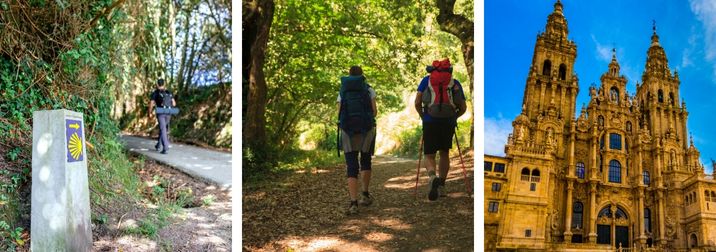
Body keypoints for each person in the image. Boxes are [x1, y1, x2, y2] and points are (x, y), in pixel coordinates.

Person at [414, 59, 467, 201]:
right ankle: (442, 185)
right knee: (444, 153)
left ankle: (432, 176)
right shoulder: (454, 83)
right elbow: (463, 107)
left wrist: (423, 116)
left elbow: (418, 102)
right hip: (448, 121)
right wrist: (454, 117)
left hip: (430, 120)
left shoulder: (426, 80)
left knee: (429, 154)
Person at [337, 66, 377, 215]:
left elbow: (339, 112)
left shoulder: (343, 90)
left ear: (349, 75)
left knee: (351, 166)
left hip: (348, 131)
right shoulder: (368, 89)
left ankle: (353, 203)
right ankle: (365, 195)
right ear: (362, 76)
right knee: (366, 161)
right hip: (366, 129)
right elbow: (374, 111)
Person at [148, 78, 176, 154]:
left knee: (163, 129)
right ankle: (158, 145)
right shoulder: (168, 92)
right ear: (164, 84)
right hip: (169, 112)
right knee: (163, 129)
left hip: (161, 112)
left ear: (157, 84)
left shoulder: (155, 93)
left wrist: (149, 113)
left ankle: (165, 147)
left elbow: (151, 104)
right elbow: (174, 104)